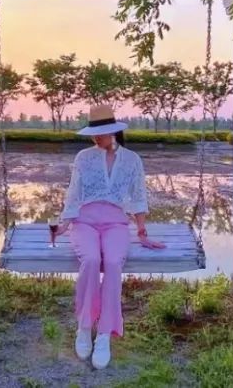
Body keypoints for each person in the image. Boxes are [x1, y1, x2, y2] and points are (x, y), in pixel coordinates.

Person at [56, 104, 165, 369]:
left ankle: (104, 334)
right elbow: (74, 193)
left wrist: (142, 231)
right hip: (84, 222)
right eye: (93, 133)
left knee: (114, 262)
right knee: (91, 259)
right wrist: (63, 224)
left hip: (116, 222)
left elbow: (138, 197)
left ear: (113, 131)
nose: (96, 137)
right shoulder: (84, 157)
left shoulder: (132, 160)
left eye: (101, 132)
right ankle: (84, 327)